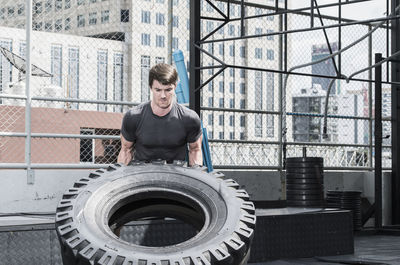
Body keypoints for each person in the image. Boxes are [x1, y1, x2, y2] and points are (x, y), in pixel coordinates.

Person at [118, 63, 203, 166]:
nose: (163, 96)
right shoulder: (133, 117)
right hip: (142, 176)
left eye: (168, 90)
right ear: (151, 87)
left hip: (176, 177)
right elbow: (126, 151)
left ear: (175, 86)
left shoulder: (189, 118)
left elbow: (195, 150)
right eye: (158, 90)